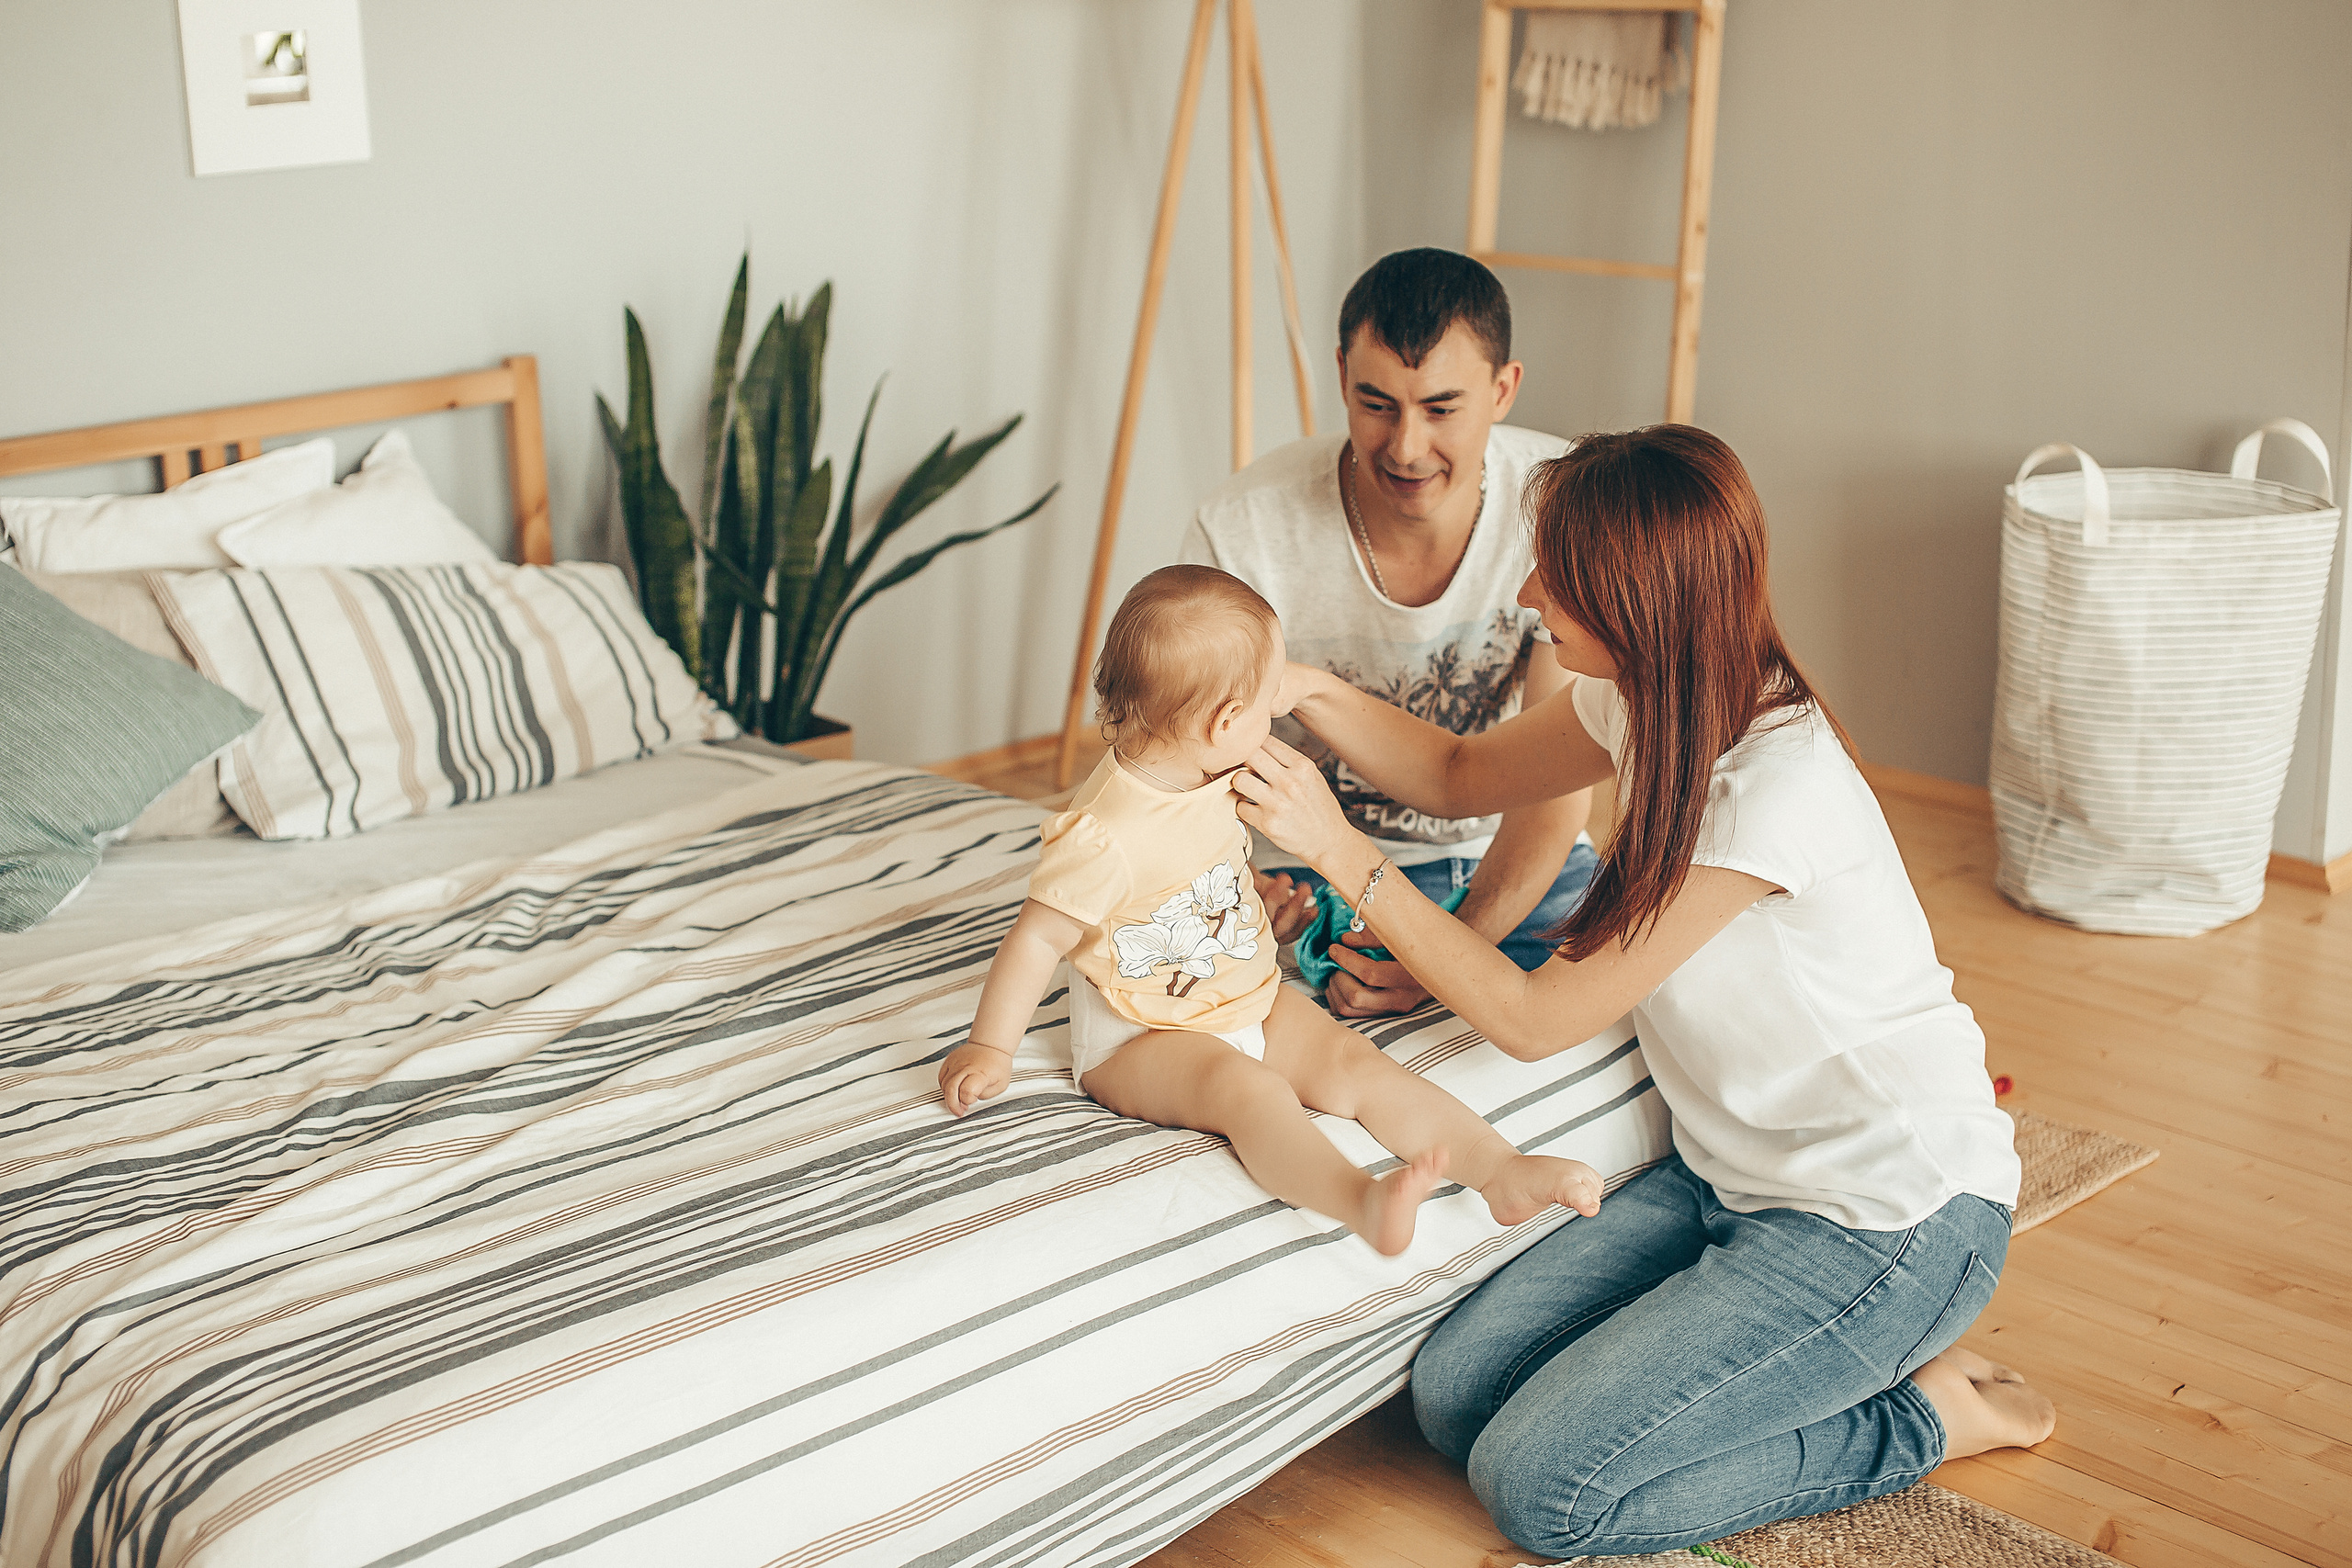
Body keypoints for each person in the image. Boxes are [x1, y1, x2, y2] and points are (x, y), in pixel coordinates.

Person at [1229, 427, 2055, 1557]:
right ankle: (1819, 1365)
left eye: (1551, 573)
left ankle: (1920, 1417)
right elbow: (1457, 773)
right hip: (1735, 1181)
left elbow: (1533, 1020)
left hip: (1889, 1216)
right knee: (1456, 1398)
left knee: (1548, 1493)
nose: (1525, 595)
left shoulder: (1770, 789)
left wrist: (1338, 853)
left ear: (1628, 597)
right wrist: (1303, 689)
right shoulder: (1640, 698)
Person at [936, 565, 1602, 1256]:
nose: (1279, 713)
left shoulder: (1212, 768)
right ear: (1226, 722)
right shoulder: (1104, 834)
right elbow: (1036, 939)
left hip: (1247, 998)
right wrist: (991, 1046)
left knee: (1357, 1062)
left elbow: (1197, 870)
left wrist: (1255, 900)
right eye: (1269, 701)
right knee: (1246, 1089)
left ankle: (1498, 1168)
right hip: (1140, 1037)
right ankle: (1357, 1198)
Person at [1181, 249, 1596, 1019]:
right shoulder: (1244, 530)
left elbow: (1553, 794)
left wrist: (1448, 951)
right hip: (1301, 869)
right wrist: (1237, 874)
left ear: (1504, 389)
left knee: (1650, 1001)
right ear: (1341, 376)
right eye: (1377, 404)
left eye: (1441, 409)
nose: (1405, 447)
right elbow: (1186, 751)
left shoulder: (1563, 506)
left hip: (1500, 858)